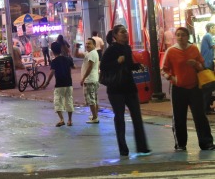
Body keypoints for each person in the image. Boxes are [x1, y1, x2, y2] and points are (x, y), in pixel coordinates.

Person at [100, 25, 151, 157]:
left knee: (137, 117)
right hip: (116, 90)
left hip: (129, 87)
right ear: (115, 35)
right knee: (120, 118)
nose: (126, 34)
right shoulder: (111, 50)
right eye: (122, 32)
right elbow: (103, 67)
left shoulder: (127, 48)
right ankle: (123, 149)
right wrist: (117, 61)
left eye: (126, 32)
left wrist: (136, 66)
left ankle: (142, 147)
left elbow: (127, 66)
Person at [161, 27, 215, 151]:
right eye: (178, 35)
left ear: (188, 37)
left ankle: (206, 143)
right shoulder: (171, 51)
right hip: (178, 89)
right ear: (175, 37)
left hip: (194, 87)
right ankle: (180, 144)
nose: (181, 37)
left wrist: (196, 64)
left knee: (200, 116)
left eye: (183, 35)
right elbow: (164, 70)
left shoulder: (194, 49)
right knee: (179, 116)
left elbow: (202, 67)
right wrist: (171, 78)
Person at [42, 42, 74, 127]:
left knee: (58, 102)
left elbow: (52, 72)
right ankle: (70, 120)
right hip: (68, 83)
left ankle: (61, 119)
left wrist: (46, 83)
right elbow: (71, 68)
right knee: (69, 101)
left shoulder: (54, 61)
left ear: (52, 51)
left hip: (59, 84)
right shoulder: (68, 59)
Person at [74, 38, 99, 124]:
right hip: (94, 79)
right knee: (94, 98)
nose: (87, 45)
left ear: (94, 45)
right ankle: (95, 115)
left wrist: (83, 78)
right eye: (86, 43)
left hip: (90, 80)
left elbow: (90, 67)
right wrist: (77, 48)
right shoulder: (89, 53)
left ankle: (95, 118)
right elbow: (77, 55)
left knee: (91, 100)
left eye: (89, 44)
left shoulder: (92, 54)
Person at [200, 22, 215, 114]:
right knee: (208, 87)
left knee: (209, 87)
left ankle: (207, 107)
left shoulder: (208, 37)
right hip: (206, 64)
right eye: (214, 27)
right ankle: (205, 109)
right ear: (210, 28)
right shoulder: (208, 36)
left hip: (207, 64)